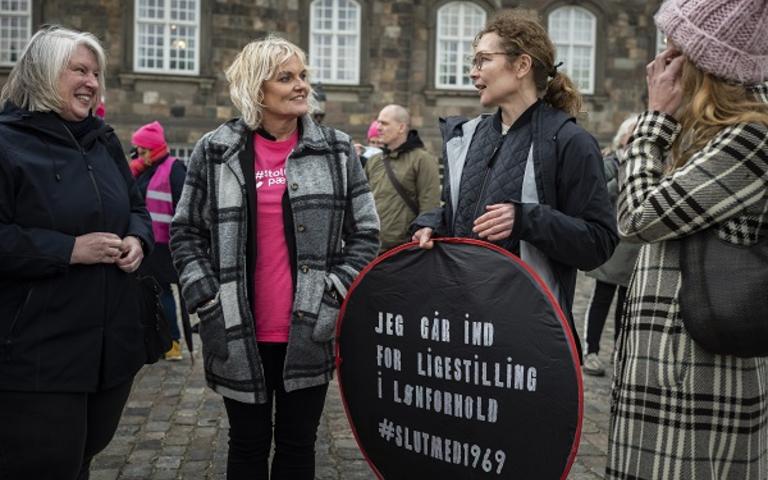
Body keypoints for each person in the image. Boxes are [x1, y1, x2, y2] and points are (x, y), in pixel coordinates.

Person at [170, 35, 379, 479]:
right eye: (286, 77)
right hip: (235, 327)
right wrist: (205, 297)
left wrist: (332, 294)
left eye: (303, 75)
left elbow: (366, 235)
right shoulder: (216, 149)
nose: (301, 85)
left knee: (298, 445)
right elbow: (185, 230)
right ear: (256, 88)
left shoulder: (337, 150)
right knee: (246, 444)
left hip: (310, 327)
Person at [607, 0, 768, 477]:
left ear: (703, 65)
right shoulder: (703, 135)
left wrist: (652, 121)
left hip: (697, 375)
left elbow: (637, 216)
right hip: (665, 365)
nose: (658, 65)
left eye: (673, 50)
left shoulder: (750, 140)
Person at [411, 11, 618, 353]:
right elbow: (459, 212)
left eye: (483, 60)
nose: (472, 72)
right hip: (462, 322)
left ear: (522, 66)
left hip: (528, 333)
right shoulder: (467, 136)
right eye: (472, 61)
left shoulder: (570, 142)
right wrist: (432, 223)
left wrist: (526, 219)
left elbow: (598, 242)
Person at [0, 26, 153, 479]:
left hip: (111, 346)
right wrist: (68, 250)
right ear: (44, 73)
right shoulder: (7, 144)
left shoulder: (103, 140)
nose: (92, 81)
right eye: (79, 70)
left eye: (96, 72)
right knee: (46, 464)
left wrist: (137, 240)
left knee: (84, 455)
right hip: (39, 352)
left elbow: (136, 208)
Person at [582, 114, 641, 377]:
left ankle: (620, 353)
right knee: (602, 297)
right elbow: (597, 194)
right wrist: (622, 178)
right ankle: (590, 350)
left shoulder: (646, 164)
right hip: (612, 242)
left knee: (625, 304)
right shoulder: (611, 161)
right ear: (623, 138)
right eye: (633, 135)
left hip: (633, 246)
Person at [130, 120, 189, 360]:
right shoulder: (144, 169)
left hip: (165, 245)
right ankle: (155, 339)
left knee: (163, 292)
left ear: (153, 148)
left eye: (142, 149)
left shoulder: (173, 168)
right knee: (148, 292)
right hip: (146, 243)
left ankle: (171, 342)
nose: (139, 154)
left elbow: (184, 207)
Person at [366, 105, 441, 252]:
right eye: (378, 122)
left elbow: (430, 206)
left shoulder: (422, 160)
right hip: (371, 249)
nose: (378, 127)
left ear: (401, 127)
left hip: (404, 251)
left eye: (384, 123)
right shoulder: (373, 161)